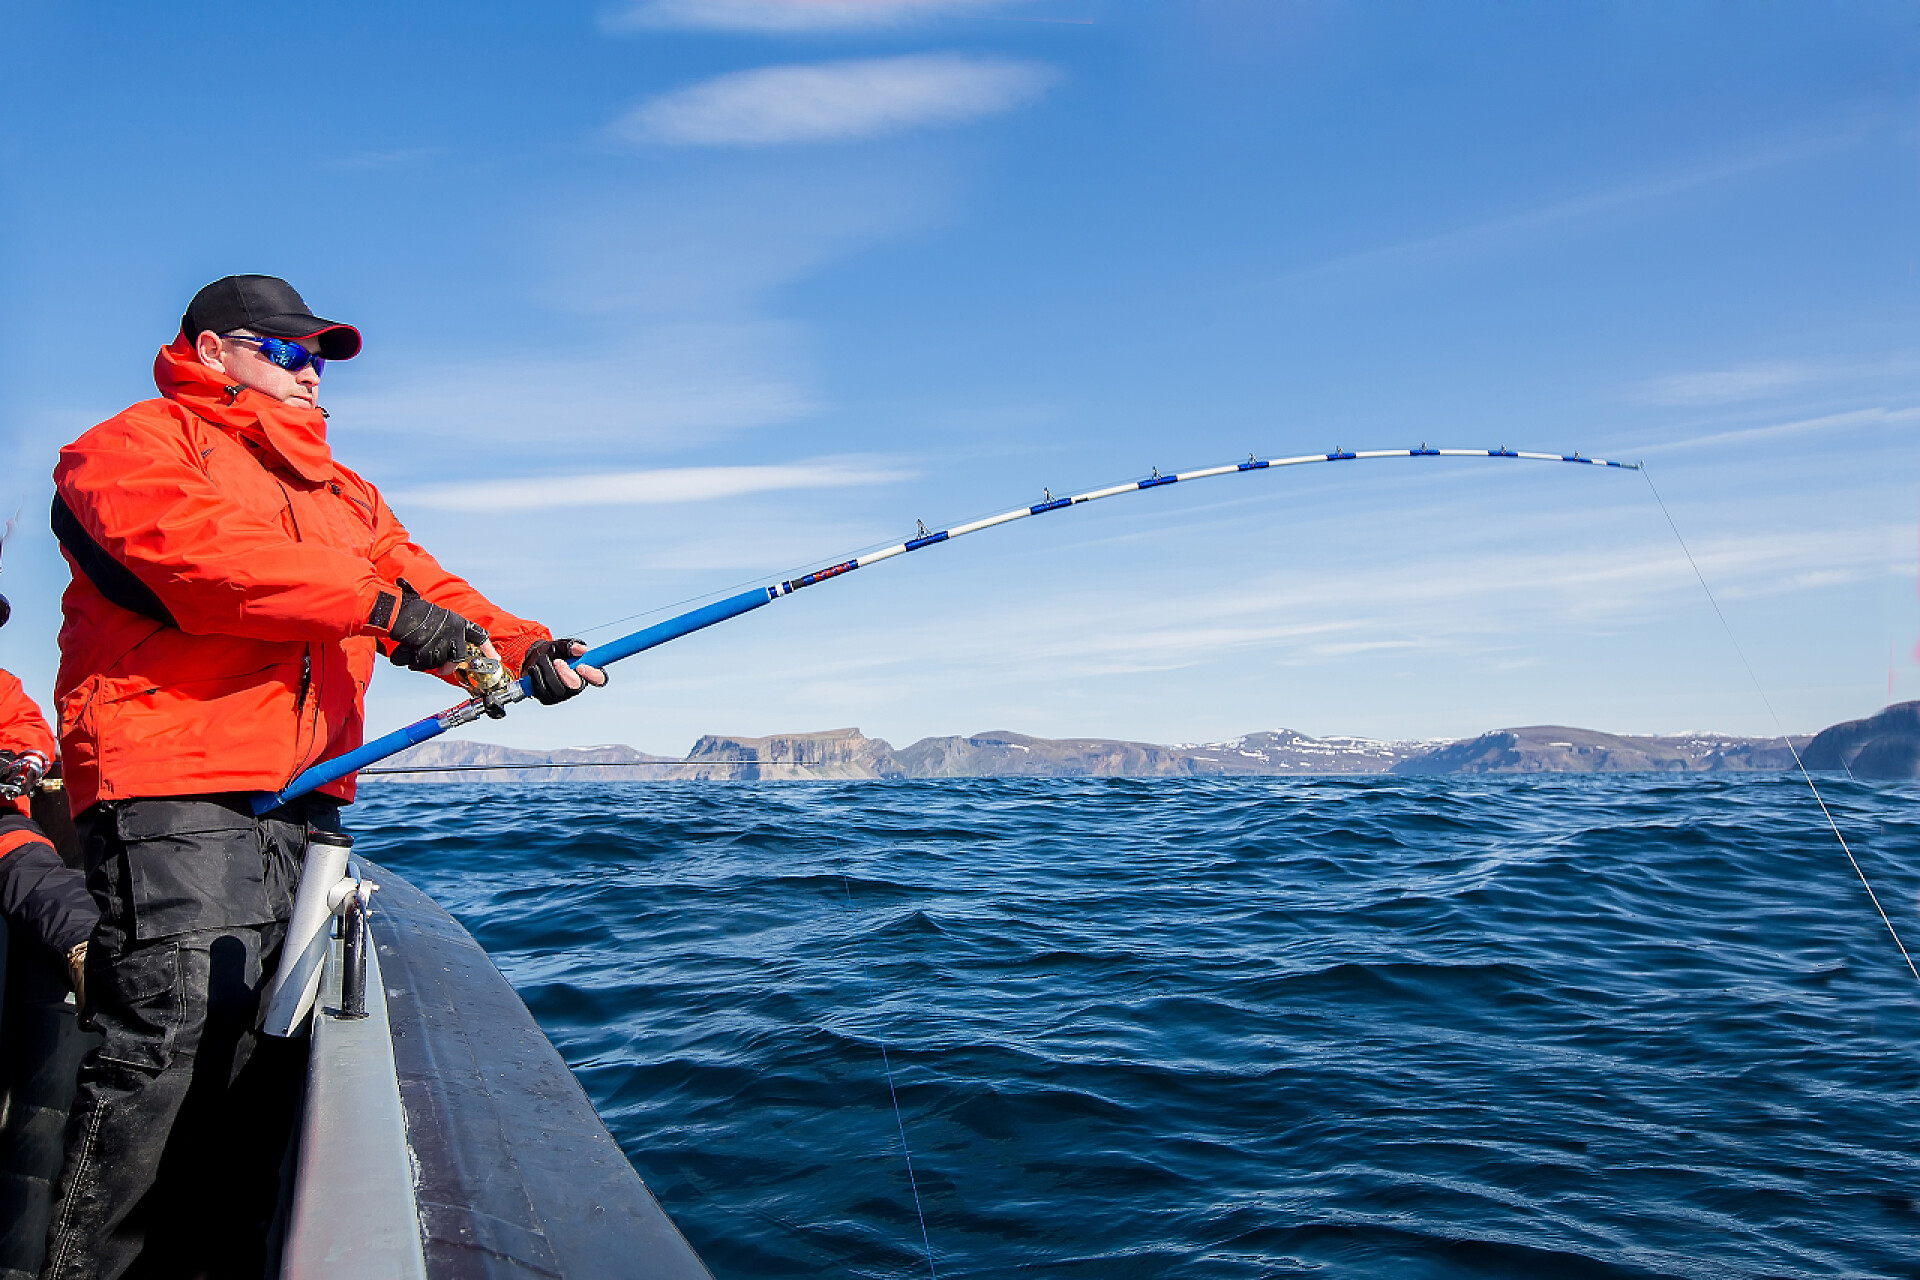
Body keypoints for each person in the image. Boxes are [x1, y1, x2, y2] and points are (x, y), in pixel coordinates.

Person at [40, 274, 605, 1280]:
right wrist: (386, 611)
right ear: (212, 351)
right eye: (283, 351)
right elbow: (206, 562)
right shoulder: (133, 445)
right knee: (166, 1044)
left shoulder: (346, 494)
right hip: (178, 784)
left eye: (320, 358)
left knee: (266, 1050)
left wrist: (522, 650)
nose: (310, 373)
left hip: (311, 797)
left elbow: (423, 585)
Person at [0, 586, 97, 994]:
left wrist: (21, 759)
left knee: (36, 870)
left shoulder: (2, 686)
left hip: (1, 823)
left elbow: (29, 731)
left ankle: (91, 958)